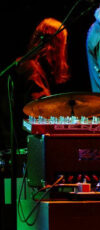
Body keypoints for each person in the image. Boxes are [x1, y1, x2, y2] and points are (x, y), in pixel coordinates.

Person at [1, 18, 70, 148]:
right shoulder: (32, 69)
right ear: (56, 44)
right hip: (21, 141)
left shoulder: (31, 65)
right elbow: (40, 106)